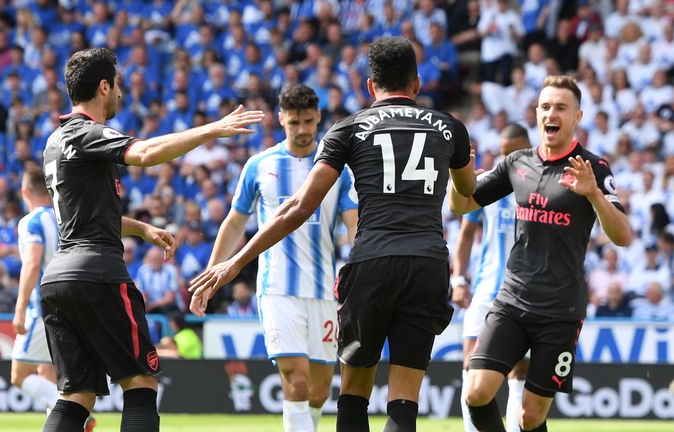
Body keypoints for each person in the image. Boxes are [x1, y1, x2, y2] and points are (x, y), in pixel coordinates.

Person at [190, 37, 478, 432]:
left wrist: (236, 262)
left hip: (372, 263)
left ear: (369, 85)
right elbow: (467, 197)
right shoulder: (450, 129)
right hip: (428, 263)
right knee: (404, 398)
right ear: (416, 84)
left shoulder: (349, 129)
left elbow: (298, 207)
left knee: (354, 393)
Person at [39, 48, 263, 432]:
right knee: (140, 383)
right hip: (98, 274)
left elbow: (83, 215)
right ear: (104, 86)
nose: (121, 94)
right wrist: (210, 129)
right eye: (118, 85)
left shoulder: (54, 142)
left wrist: (141, 229)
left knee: (76, 396)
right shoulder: (88, 132)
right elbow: (143, 153)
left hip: (59, 278)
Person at [450, 75, 632, 432]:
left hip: (560, 310)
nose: (552, 113)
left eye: (561, 108)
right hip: (512, 300)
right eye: (546, 106)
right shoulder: (517, 163)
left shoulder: (593, 168)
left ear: (577, 116)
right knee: (476, 392)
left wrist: (593, 194)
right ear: (536, 113)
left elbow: (623, 236)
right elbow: (463, 204)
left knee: (530, 417)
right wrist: (461, 176)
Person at [193, 83, 358, 432]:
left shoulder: (338, 171)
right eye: (294, 121)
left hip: (324, 292)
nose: (302, 130)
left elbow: (355, 228)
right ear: (281, 118)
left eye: (309, 121)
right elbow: (235, 222)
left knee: (317, 390)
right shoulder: (260, 165)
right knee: (296, 381)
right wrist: (212, 275)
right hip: (276, 288)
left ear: (318, 120)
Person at [451, 123, 531, 432]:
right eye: (503, 152)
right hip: (486, 288)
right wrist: (458, 278)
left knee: (518, 371)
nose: (508, 158)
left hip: (525, 292)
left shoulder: (541, 183)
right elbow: (466, 234)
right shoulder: (488, 182)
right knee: (471, 363)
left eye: (514, 151)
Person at [9, 168, 64, 421]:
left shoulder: (30, 221)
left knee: (19, 376)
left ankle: (74, 413)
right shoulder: (64, 217)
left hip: (42, 308)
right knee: (48, 373)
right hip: (68, 304)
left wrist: (20, 309)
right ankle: (63, 424)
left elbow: (32, 264)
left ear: (25, 192)